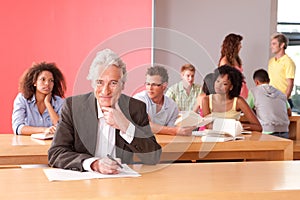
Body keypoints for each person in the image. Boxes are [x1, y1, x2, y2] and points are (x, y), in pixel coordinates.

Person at [48, 49, 161, 174]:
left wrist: (126, 127)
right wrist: (94, 164)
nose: (105, 91)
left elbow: (153, 157)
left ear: (122, 85)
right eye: (99, 83)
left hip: (121, 183)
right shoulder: (73, 107)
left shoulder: (136, 108)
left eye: (113, 83)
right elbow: (56, 153)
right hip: (83, 182)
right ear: (92, 83)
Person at [133, 65, 196, 136]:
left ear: (164, 86)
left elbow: (170, 131)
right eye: (147, 84)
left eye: (154, 84)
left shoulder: (172, 106)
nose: (150, 88)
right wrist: (175, 131)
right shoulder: (138, 100)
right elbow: (146, 126)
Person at [12, 62, 66, 135]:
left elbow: (62, 128)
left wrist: (48, 104)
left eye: (51, 80)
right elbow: (17, 128)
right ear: (35, 82)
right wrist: (44, 130)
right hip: (28, 143)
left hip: (51, 144)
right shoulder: (22, 99)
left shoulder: (59, 102)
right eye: (43, 79)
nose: (47, 83)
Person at [202, 65, 262, 132]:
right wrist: (229, 126)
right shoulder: (206, 100)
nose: (218, 85)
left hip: (234, 139)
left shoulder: (238, 101)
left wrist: (239, 126)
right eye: (218, 81)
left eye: (224, 84)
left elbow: (258, 127)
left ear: (231, 87)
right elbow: (208, 125)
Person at [247, 69, 291, 138]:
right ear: (269, 80)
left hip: (266, 131)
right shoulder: (281, 93)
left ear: (256, 82)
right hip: (284, 131)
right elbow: (289, 112)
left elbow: (247, 110)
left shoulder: (254, 91)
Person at [268, 33, 296, 109]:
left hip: (283, 101)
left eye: (274, 44)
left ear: (282, 45)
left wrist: (284, 101)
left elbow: (290, 84)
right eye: (271, 44)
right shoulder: (271, 61)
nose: (271, 47)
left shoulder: (288, 62)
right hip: (272, 100)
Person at [218, 33, 248, 99]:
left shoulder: (236, 59)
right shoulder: (224, 61)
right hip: (233, 93)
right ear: (233, 46)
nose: (241, 46)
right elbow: (224, 81)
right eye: (239, 44)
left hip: (241, 90)